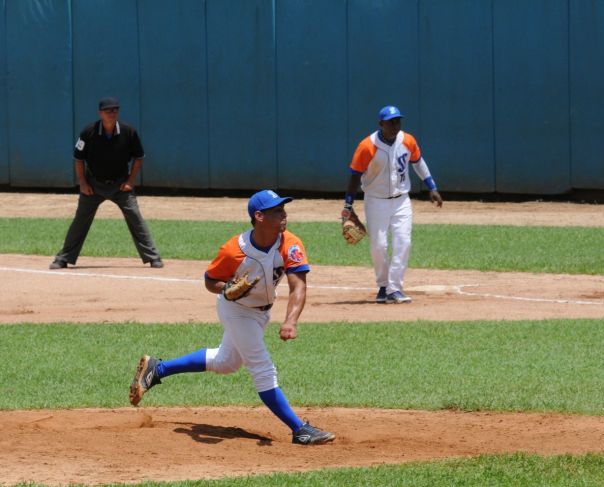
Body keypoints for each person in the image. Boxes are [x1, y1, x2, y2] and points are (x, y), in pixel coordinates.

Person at [129, 189, 335, 445]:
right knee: (262, 368)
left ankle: (157, 369)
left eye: (283, 209)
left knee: (226, 362)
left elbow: (298, 286)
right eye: (276, 211)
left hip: (262, 312)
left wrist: (290, 320)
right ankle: (299, 429)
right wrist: (225, 290)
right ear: (259, 216)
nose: (284, 214)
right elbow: (210, 281)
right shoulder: (233, 251)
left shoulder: (290, 243)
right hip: (236, 311)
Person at [343, 105, 443, 304]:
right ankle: (383, 285)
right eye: (390, 122)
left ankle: (394, 288)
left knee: (403, 243)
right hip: (375, 201)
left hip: (401, 201)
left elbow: (418, 162)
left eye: (397, 121)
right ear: (381, 124)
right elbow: (355, 175)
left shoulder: (407, 140)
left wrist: (432, 186)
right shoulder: (367, 146)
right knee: (378, 245)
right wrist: (348, 205)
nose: (395, 125)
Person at [49, 97, 163, 269]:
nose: (112, 113)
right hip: (93, 185)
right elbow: (78, 159)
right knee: (80, 220)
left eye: (115, 110)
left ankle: (153, 257)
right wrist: (83, 183)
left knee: (135, 217)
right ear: (100, 113)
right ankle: (63, 258)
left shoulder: (128, 132)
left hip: (120, 185)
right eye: (108, 110)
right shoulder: (89, 132)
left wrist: (130, 181)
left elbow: (138, 158)